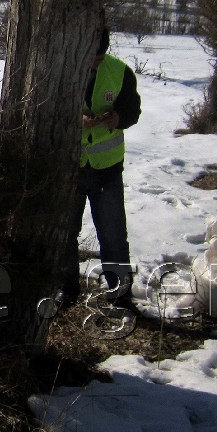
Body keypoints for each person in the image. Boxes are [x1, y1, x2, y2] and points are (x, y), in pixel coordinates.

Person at [67, 27, 141, 309]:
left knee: (113, 235)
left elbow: (133, 110)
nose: (95, 62)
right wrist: (78, 118)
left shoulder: (121, 72)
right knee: (65, 233)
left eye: (100, 56)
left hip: (107, 169)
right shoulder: (64, 67)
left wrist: (117, 118)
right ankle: (67, 290)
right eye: (91, 56)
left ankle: (120, 293)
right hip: (70, 168)